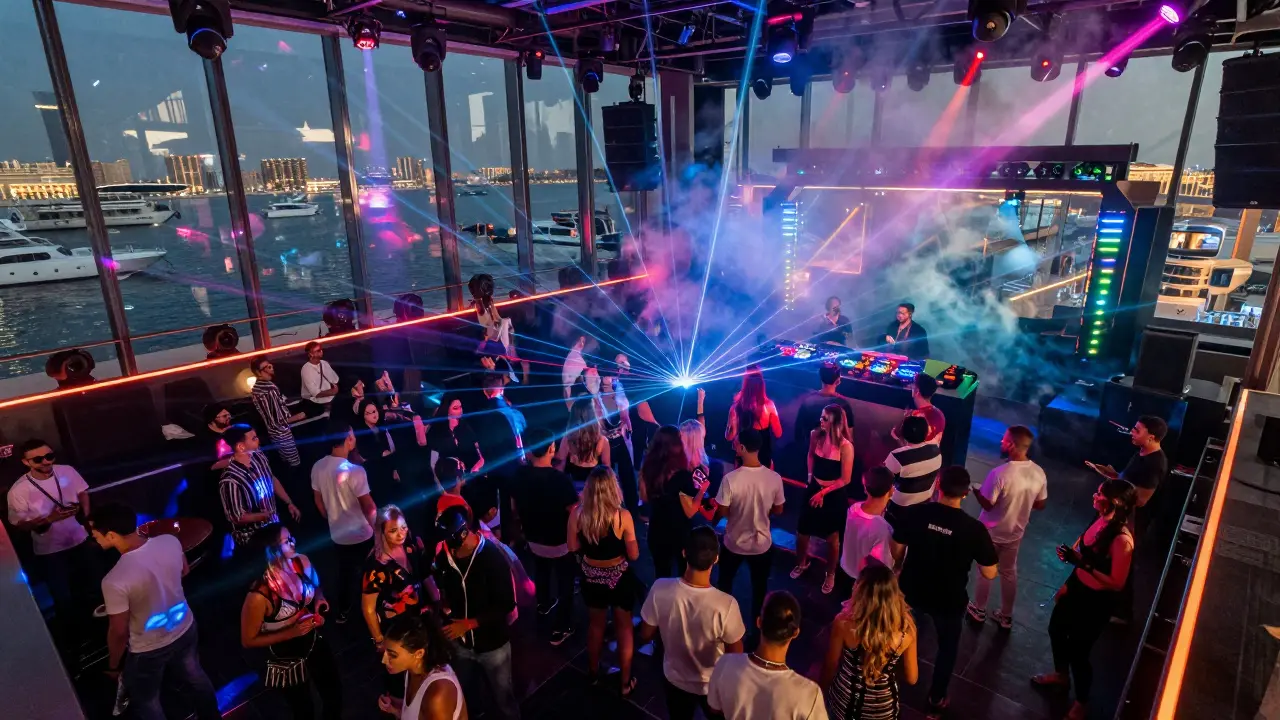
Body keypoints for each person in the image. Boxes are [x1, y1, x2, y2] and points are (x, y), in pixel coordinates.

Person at [88, 503, 221, 720]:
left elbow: (119, 631)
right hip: (185, 626)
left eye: (94, 534)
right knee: (195, 675)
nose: (93, 537)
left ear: (111, 535)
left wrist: (113, 666)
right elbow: (184, 571)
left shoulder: (114, 580)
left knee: (147, 700)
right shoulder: (170, 541)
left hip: (148, 647)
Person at [889, 466, 997, 718]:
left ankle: (883, 680)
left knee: (896, 635)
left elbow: (896, 547)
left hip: (912, 589)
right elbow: (990, 573)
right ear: (966, 493)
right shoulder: (974, 529)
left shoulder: (916, 512)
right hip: (948, 599)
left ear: (939, 485)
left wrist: (899, 565)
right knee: (946, 649)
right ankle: (936, 699)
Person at [1031, 480, 1137, 720]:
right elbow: (1081, 555)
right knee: (1056, 630)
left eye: (1100, 493)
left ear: (1115, 502)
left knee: (1079, 651)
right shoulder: (1099, 520)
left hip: (1096, 602)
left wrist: (1083, 564)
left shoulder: (1122, 540)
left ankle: (1081, 701)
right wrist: (1068, 582)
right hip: (1077, 588)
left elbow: (1117, 582)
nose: (1095, 495)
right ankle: (1060, 675)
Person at [7, 438, 103, 661]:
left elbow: (82, 491)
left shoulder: (66, 470)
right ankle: (75, 642)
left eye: (49, 456)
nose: (46, 462)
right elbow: (18, 524)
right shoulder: (19, 490)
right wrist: (47, 519)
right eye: (38, 459)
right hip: (50, 549)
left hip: (79, 538)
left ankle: (100, 629)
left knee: (94, 583)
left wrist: (85, 514)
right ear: (26, 462)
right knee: (62, 596)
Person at [638, 527, 747, 720]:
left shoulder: (660, 588)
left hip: (674, 678)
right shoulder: (726, 605)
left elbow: (645, 634)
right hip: (712, 685)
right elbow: (736, 656)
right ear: (716, 558)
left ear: (684, 553)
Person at [239, 523, 342, 720]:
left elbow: (315, 586)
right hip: (285, 657)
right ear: (272, 551)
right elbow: (248, 640)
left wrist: (319, 599)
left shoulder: (302, 562)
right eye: (286, 541)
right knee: (303, 708)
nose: (293, 542)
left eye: (291, 537)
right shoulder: (259, 595)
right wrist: (291, 632)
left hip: (313, 641)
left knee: (334, 693)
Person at [433, 506, 519, 719]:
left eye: (447, 540)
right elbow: (444, 589)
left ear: (461, 534)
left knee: (504, 699)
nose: (445, 546)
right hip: (460, 644)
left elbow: (506, 604)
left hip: (493, 645)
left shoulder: (491, 557)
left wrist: (469, 623)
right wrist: (444, 608)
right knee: (466, 695)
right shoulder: (445, 558)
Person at [568, 467, 641, 696]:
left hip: (591, 577)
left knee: (596, 625)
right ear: (613, 488)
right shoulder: (623, 516)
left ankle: (592, 672)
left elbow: (572, 547)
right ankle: (625, 682)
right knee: (624, 627)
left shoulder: (577, 514)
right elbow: (635, 554)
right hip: (619, 577)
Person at [968, 425, 1048, 630]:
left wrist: (976, 490)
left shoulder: (1000, 473)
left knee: (986, 569)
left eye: (1004, 440)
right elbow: (1040, 504)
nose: (1001, 442)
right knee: (1009, 572)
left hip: (991, 531)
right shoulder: (1039, 472)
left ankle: (979, 609)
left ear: (1012, 445)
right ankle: (1006, 616)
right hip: (1015, 533)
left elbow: (988, 504)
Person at [706, 591, 828, 720]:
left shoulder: (725, 664)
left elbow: (714, 708)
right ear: (795, 632)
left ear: (759, 622)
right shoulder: (809, 694)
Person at [820, 564, 918, 720]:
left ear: (861, 592)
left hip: (843, 703)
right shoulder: (907, 630)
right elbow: (912, 678)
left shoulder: (844, 623)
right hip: (883, 711)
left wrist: (821, 692)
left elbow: (831, 664)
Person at [508, 429, 578, 646]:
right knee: (565, 583)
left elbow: (513, 506)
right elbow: (573, 511)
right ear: (551, 448)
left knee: (542, 570)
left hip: (533, 539)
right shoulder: (560, 480)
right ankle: (561, 627)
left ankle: (543, 603)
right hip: (560, 542)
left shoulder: (519, 475)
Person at [714, 427, 786, 627]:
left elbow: (722, 511)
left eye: (736, 443)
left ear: (743, 448)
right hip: (762, 544)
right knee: (759, 588)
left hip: (733, 543)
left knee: (725, 583)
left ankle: (722, 621)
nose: (734, 445)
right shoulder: (774, 478)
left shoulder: (731, 479)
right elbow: (779, 509)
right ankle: (757, 626)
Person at [363, 505, 432, 707]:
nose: (401, 533)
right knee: (398, 677)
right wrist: (379, 641)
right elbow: (368, 608)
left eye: (403, 527)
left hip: (417, 619)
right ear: (382, 532)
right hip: (394, 628)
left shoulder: (410, 546)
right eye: (393, 530)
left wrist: (436, 600)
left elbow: (423, 574)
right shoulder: (377, 566)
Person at [311, 423, 376, 623]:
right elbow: (369, 507)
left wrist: (331, 519)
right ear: (348, 439)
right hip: (362, 534)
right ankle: (373, 610)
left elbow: (318, 502)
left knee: (345, 573)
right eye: (352, 435)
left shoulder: (318, 466)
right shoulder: (356, 471)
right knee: (371, 572)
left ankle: (343, 611)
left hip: (338, 535)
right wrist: (378, 530)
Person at [793, 404, 855, 594]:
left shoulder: (846, 446)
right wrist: (810, 477)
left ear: (835, 422)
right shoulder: (815, 435)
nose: (820, 420)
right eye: (821, 417)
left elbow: (846, 479)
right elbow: (810, 455)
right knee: (802, 530)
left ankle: (830, 573)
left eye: (825, 418)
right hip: (814, 488)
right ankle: (801, 562)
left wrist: (823, 493)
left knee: (832, 539)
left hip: (834, 493)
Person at [218, 424, 302, 553]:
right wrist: (262, 516)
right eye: (254, 438)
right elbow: (236, 517)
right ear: (241, 447)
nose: (258, 440)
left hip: (273, 526)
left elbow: (271, 478)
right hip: (253, 538)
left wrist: (288, 502)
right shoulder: (230, 480)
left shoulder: (259, 456)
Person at [641, 425, 708, 579]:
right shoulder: (682, 475)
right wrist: (702, 491)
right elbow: (690, 511)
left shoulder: (648, 468)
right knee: (683, 576)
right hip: (679, 533)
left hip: (657, 530)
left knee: (661, 576)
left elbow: (644, 497)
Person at [380, 613, 469, 720]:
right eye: (384, 652)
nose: (384, 660)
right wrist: (395, 708)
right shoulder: (411, 670)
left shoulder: (437, 695)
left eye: (392, 655)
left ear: (419, 654)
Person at [835, 466, 896, 601]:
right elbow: (885, 564)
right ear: (891, 490)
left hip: (845, 569)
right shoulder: (883, 528)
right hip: (863, 582)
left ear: (865, 488)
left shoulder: (853, 509)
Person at [882, 416, 941, 532]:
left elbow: (882, 481)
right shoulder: (936, 449)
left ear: (904, 433)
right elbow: (914, 452)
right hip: (924, 506)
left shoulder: (896, 456)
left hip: (898, 511)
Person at [249, 356, 305, 470]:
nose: (271, 367)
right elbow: (277, 420)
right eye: (267, 367)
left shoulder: (256, 388)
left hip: (273, 432)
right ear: (258, 372)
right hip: (282, 432)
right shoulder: (269, 389)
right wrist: (298, 417)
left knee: (285, 463)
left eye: (270, 365)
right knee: (294, 464)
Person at [724, 365, 783, 470]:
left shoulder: (736, 407)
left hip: (743, 458)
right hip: (763, 457)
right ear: (761, 384)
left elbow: (729, 436)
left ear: (745, 384)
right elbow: (778, 433)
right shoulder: (769, 406)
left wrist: (731, 422)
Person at [599, 367, 639, 511]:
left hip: (619, 438)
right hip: (603, 441)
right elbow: (607, 421)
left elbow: (621, 416)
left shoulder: (618, 387)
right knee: (606, 475)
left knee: (627, 474)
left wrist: (625, 417)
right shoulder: (595, 391)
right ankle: (608, 507)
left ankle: (632, 508)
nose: (612, 379)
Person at [793, 363, 855, 450]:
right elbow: (849, 436)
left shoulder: (808, 401)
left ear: (820, 378)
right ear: (838, 381)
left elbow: (798, 433)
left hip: (809, 450)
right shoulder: (844, 404)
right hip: (834, 454)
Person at [557, 397, 610, 488]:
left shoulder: (568, 439)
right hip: (595, 488)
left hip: (574, 488)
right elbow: (607, 467)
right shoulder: (602, 441)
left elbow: (560, 461)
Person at [355, 399, 401, 501]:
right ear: (363, 415)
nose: (373, 415)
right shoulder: (361, 433)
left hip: (388, 466)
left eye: (374, 411)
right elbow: (365, 453)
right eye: (368, 413)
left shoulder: (381, 427)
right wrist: (381, 453)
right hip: (375, 471)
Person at [427, 396, 483, 476]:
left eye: (460, 407)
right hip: (448, 478)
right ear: (447, 411)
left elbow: (477, 447)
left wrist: (480, 461)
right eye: (456, 408)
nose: (460, 410)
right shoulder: (437, 431)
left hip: (469, 474)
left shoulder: (464, 426)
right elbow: (433, 464)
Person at [899, 373, 945, 445]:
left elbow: (907, 448)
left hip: (915, 455)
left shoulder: (914, 417)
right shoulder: (939, 413)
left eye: (913, 385)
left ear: (917, 391)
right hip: (933, 455)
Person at [299, 341, 339, 416]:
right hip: (315, 402)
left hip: (331, 398)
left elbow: (335, 380)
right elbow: (315, 393)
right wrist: (333, 392)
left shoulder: (324, 363)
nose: (321, 352)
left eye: (321, 349)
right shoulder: (306, 369)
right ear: (311, 354)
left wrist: (334, 390)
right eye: (318, 351)